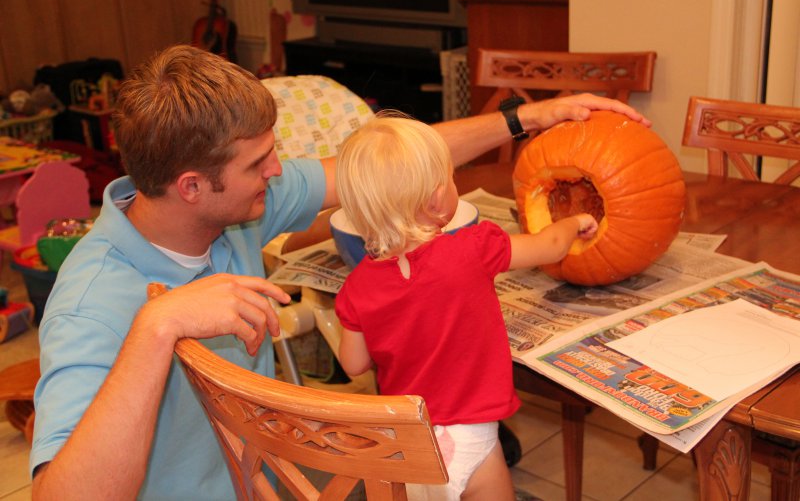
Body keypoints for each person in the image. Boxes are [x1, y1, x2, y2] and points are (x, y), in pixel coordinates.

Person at [30, 43, 647, 500]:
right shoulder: (91, 304)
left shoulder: (231, 209)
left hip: (275, 476)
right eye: (258, 163)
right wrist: (155, 327)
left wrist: (527, 119)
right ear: (192, 186)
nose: (279, 171)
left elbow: (391, 169)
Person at [333, 113, 598, 501]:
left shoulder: (356, 287)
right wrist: (575, 222)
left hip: (407, 446)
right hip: (471, 440)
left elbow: (354, 364)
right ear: (438, 198)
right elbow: (550, 246)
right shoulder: (474, 247)